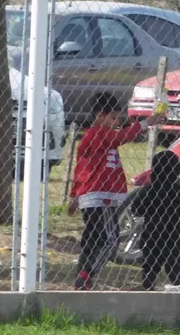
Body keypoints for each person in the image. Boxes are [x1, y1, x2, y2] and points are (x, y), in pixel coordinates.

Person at [69, 93, 165, 290]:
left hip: (94, 196)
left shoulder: (95, 137)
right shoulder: (98, 134)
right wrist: (148, 122)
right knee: (110, 242)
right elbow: (123, 136)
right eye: (112, 117)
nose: (117, 121)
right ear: (99, 115)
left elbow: (81, 169)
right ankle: (87, 275)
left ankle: (83, 277)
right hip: (101, 197)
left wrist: (75, 196)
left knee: (93, 240)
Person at [136, 149, 180, 290]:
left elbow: (137, 209)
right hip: (174, 234)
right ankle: (177, 286)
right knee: (174, 264)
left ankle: (148, 287)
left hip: (152, 232)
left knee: (150, 264)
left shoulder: (149, 190)